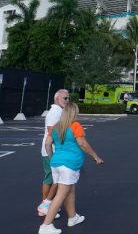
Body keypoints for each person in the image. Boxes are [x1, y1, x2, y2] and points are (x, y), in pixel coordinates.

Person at [39, 102, 104, 234]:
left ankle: (72, 217)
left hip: (56, 164)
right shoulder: (75, 126)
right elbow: (82, 143)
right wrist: (96, 156)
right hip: (69, 165)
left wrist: (52, 158)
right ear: (74, 113)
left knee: (70, 190)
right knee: (61, 194)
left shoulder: (56, 127)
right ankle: (46, 226)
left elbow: (47, 144)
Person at [37, 89, 69, 218]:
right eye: (64, 98)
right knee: (51, 178)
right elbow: (52, 132)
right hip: (51, 151)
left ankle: (49, 205)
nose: (67, 100)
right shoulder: (54, 112)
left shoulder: (59, 111)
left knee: (55, 178)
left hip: (55, 150)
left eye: (68, 98)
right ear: (57, 99)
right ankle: (45, 207)